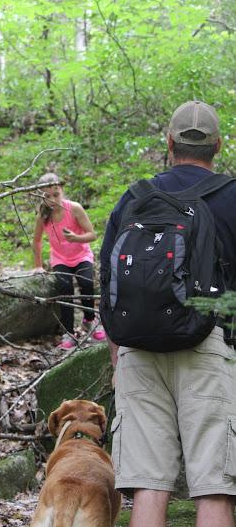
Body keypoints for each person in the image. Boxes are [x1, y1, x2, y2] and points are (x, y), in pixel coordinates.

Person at [100, 100, 236, 527]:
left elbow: (107, 279)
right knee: (213, 483)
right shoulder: (232, 197)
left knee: (149, 484)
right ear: (217, 145)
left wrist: (117, 352)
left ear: (169, 142)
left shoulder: (136, 197)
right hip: (209, 343)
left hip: (138, 347)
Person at [32, 172, 106, 350]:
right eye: (47, 196)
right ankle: (69, 332)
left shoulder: (74, 208)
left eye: (56, 194)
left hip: (81, 255)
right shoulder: (43, 216)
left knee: (86, 283)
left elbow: (93, 235)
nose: (53, 199)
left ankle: (90, 320)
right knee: (65, 289)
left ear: (62, 191)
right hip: (60, 259)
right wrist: (38, 266)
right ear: (41, 197)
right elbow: (36, 240)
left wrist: (76, 238)